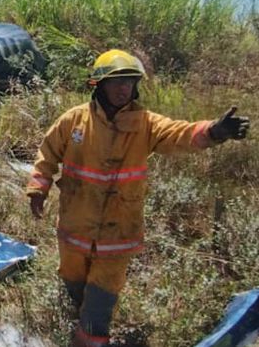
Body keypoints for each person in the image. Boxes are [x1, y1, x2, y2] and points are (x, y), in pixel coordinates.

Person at [25, 49, 249, 346]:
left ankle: (90, 339)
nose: (124, 89)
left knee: (98, 307)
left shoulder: (145, 123)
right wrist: (37, 189)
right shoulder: (73, 120)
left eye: (130, 82)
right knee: (74, 288)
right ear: (99, 84)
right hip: (74, 230)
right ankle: (77, 321)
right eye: (117, 82)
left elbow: (178, 133)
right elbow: (47, 155)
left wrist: (214, 131)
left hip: (118, 236)